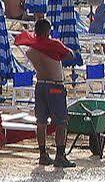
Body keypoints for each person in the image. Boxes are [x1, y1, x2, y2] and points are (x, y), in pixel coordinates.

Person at [15, 17, 74, 168]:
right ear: (48, 31)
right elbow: (70, 55)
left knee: (41, 122)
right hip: (55, 86)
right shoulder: (53, 45)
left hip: (40, 85)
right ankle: (60, 155)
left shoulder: (31, 49)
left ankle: (43, 154)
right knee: (61, 122)